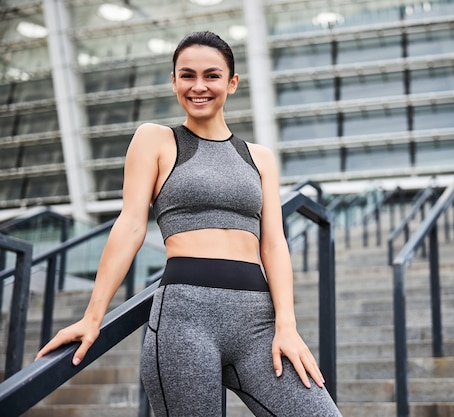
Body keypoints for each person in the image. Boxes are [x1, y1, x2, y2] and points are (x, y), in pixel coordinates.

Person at [36, 30, 343, 417]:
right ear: (174, 81)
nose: (199, 86)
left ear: (232, 83)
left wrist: (287, 325)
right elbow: (130, 225)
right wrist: (93, 316)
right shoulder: (155, 139)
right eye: (187, 75)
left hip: (258, 323)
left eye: (212, 75)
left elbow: (274, 245)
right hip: (185, 320)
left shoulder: (260, 157)